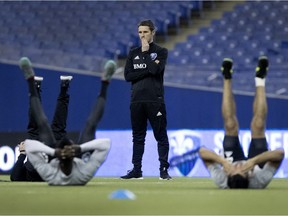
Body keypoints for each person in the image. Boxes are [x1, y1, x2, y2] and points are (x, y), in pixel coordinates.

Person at [19, 57, 116, 185]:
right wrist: (78, 149)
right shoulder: (83, 174)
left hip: (54, 157)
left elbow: (30, 145)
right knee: (90, 125)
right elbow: (106, 144)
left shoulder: (52, 174)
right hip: (78, 158)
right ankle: (105, 82)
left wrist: (55, 152)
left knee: (43, 124)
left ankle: (30, 81)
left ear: (60, 159)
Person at [199, 56, 285, 189]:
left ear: (228, 175)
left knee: (230, 125)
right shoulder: (259, 181)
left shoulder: (222, 180)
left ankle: (227, 76)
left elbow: (202, 151)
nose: (239, 167)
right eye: (243, 171)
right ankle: (260, 79)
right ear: (249, 176)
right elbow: (280, 153)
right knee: (258, 126)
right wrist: (254, 161)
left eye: (235, 171)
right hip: (257, 164)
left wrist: (223, 162)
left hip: (230, 160)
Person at [121, 19, 171, 180]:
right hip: (136, 100)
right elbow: (128, 76)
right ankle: (137, 170)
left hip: (155, 100)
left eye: (145, 32)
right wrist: (147, 69)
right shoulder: (132, 53)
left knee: (160, 135)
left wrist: (146, 52)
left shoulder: (161, 51)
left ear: (153, 33)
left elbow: (155, 70)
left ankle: (163, 170)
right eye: (140, 32)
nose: (142, 35)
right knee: (137, 136)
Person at [10, 75, 73, 181]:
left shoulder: (30, 177)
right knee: (58, 125)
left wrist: (22, 154)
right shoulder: (50, 176)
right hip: (52, 148)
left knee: (40, 122)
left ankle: (38, 88)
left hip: (37, 147)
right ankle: (62, 87)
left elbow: (14, 177)